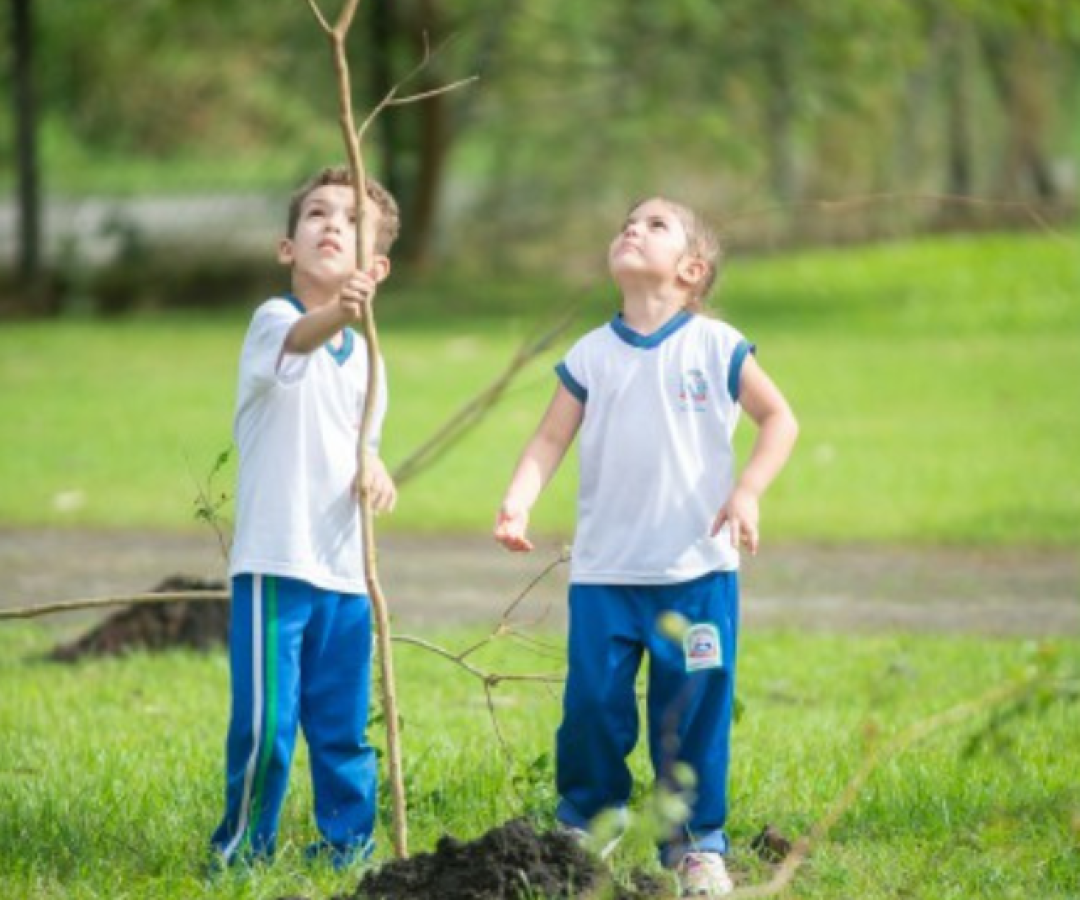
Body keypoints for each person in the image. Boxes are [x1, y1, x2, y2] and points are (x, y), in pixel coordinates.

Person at [494, 196, 798, 897]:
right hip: (605, 573)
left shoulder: (718, 346)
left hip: (696, 573)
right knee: (594, 704)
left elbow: (780, 418)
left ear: (691, 269)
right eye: (627, 221)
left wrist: (748, 490)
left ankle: (695, 845)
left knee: (693, 707)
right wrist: (519, 496)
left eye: (654, 224)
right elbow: (549, 438)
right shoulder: (591, 354)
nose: (632, 227)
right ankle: (586, 826)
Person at [210, 166, 400, 870]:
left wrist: (374, 465)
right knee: (267, 724)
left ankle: (347, 847)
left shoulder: (371, 361)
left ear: (375, 266)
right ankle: (241, 851)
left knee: (343, 726)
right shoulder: (276, 322)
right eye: (317, 215)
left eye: (352, 222)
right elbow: (298, 346)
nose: (331, 226)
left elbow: (363, 438)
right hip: (277, 564)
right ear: (286, 247)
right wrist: (338, 314)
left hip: (345, 573)